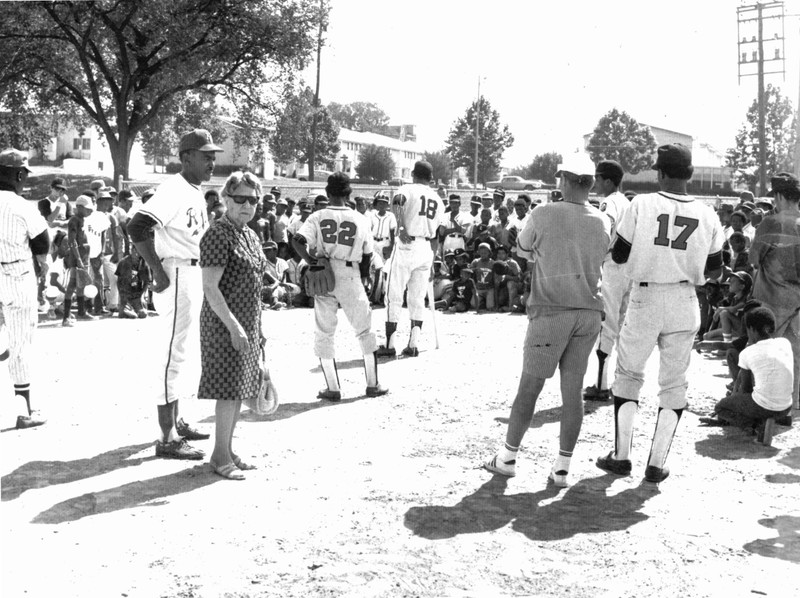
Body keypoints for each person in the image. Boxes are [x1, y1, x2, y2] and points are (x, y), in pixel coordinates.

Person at [596, 144, 724, 484]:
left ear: (660, 172)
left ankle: (622, 457)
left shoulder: (642, 203)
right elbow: (715, 271)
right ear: (691, 174)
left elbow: (619, 255)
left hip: (647, 295)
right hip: (685, 299)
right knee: (674, 382)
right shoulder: (709, 213)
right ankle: (656, 463)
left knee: (629, 374)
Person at [484, 154, 610, 488]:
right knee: (573, 393)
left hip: (552, 310)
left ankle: (508, 457)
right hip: (588, 313)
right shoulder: (601, 219)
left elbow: (523, 248)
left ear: (566, 180)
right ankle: (563, 467)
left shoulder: (543, 213)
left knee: (530, 387)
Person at [127, 128, 222, 460]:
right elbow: (136, 226)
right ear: (186, 158)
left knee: (183, 353)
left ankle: (177, 422)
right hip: (177, 271)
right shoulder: (174, 188)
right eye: (205, 155)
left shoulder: (193, 189)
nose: (212, 160)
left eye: (213, 155)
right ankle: (167, 438)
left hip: (190, 271)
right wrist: (155, 269)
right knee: (172, 356)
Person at [292, 173, 388, 400]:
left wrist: (311, 260)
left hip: (323, 270)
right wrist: (365, 278)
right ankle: (373, 384)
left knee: (324, 332)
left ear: (328, 193)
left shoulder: (317, 215)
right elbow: (367, 254)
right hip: (350, 273)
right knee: (364, 329)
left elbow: (296, 240)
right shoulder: (360, 218)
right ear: (348, 194)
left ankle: (333, 388)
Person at [198, 171, 268, 480]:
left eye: (253, 200)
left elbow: (254, 287)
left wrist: (257, 330)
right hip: (223, 323)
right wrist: (234, 326)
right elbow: (211, 288)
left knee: (239, 389)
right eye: (240, 199)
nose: (247, 205)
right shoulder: (218, 233)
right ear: (226, 199)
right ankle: (219, 456)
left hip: (247, 323)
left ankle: (226, 450)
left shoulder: (250, 234)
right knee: (227, 391)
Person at [0, 149, 50, 429]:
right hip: (16, 273)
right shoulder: (22, 206)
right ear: (18, 175)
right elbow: (42, 243)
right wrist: (42, 266)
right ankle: (24, 409)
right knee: (21, 344)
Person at [377, 161, 445, 357]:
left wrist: (400, 226)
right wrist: (432, 259)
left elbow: (397, 201)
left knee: (394, 295)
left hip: (407, 244)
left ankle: (390, 345)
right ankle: (413, 344)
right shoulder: (437, 198)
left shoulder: (407, 188)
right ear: (430, 178)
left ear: (414, 173)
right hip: (426, 247)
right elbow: (437, 235)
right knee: (416, 298)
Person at [749, 172, 800, 423]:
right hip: (798, 302)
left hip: (772, 300)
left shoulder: (771, 223)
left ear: (779, 195)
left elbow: (753, 259)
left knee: (762, 354)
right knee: (795, 357)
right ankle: (790, 409)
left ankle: (762, 409)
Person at [701, 307, 792, 444]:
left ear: (752, 330)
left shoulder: (747, 353)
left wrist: (736, 397)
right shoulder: (784, 343)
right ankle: (768, 420)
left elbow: (746, 389)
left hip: (763, 407)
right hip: (786, 407)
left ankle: (754, 426)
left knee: (721, 407)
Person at [584, 160, 632, 401]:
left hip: (613, 265)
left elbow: (605, 225)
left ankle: (602, 386)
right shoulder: (626, 201)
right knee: (623, 325)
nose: (595, 182)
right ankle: (616, 383)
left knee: (607, 323)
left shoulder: (610, 201)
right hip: (630, 267)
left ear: (609, 181)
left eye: (599, 178)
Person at [62, 195, 95, 326]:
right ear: (79, 207)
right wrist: (78, 259)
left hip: (83, 256)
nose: (90, 211)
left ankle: (81, 312)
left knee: (81, 284)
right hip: (77, 258)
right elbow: (72, 241)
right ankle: (65, 317)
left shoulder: (82, 220)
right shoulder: (74, 221)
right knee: (72, 285)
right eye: (87, 209)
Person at [115, 243, 149, 319]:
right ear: (132, 250)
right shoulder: (124, 262)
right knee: (130, 315)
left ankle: (134, 309)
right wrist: (123, 299)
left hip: (137, 296)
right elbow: (119, 282)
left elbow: (146, 282)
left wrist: (142, 297)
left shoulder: (143, 263)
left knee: (143, 314)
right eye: (136, 250)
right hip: (126, 296)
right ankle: (125, 309)